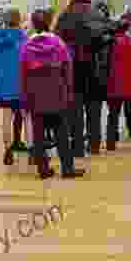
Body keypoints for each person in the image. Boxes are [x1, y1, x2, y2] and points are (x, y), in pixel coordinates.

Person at [20, 10, 85, 180]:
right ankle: (67, 169)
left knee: (38, 135)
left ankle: (43, 170)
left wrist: (25, 99)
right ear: (49, 23)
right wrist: (68, 93)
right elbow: (67, 71)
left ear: (33, 25)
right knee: (62, 133)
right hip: (57, 94)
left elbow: (23, 75)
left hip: (35, 96)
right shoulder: (59, 44)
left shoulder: (26, 47)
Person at [54, 0, 110, 156]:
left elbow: (58, 44)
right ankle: (94, 145)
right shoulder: (97, 14)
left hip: (73, 69)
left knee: (75, 111)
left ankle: (77, 146)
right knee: (94, 109)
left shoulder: (65, 16)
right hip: (96, 68)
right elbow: (108, 39)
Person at [106, 16, 131, 150]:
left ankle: (110, 142)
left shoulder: (110, 44)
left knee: (113, 115)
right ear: (127, 29)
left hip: (114, 84)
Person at [0, 8, 27, 165]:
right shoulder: (23, 36)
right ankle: (31, 149)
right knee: (26, 117)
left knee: (6, 118)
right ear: (18, 20)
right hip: (21, 84)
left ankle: (7, 150)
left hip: (4, 85)